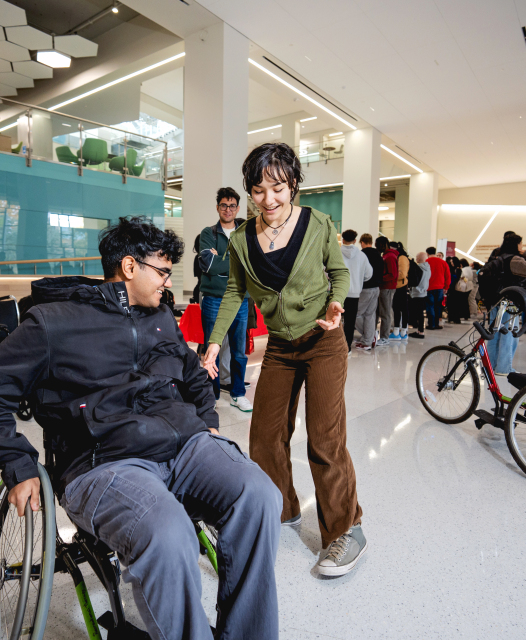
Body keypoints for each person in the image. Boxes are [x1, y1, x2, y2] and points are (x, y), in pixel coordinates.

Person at [0, 216, 281, 640]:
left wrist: (208, 423)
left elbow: (192, 373)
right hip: (103, 462)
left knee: (260, 495)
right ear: (130, 267)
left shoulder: (161, 317)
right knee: (168, 536)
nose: (168, 282)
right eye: (163, 271)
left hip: (183, 444)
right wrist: (17, 463)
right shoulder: (53, 323)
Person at [202, 142, 366, 577]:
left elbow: (339, 272)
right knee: (265, 437)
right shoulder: (240, 239)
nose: (269, 200)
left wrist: (335, 304)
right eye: (258, 191)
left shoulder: (317, 223)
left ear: (293, 184)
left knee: (324, 439)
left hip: (323, 339)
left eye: (278, 188)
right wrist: (214, 342)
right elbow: (235, 292)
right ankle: (284, 508)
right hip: (279, 345)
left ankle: (346, 530)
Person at [198, 187, 252, 411]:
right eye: (223, 205)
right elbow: (209, 266)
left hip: (240, 298)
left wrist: (221, 257)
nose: (228, 210)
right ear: (218, 207)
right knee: (213, 349)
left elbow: (251, 264)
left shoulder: (247, 233)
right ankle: (213, 394)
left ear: (237, 208)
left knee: (239, 352)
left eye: (232, 206)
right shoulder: (208, 233)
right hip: (213, 298)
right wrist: (234, 259)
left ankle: (238, 393)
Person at [484, 233, 526, 375]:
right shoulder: (514, 260)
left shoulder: (497, 257)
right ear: (517, 245)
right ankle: (504, 368)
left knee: (494, 334)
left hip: (495, 301)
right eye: (521, 244)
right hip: (510, 302)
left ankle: (490, 367)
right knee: (508, 335)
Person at [340, 229, 372, 350]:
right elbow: (369, 274)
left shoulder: (336, 253)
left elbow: (326, 271)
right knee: (350, 321)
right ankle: (347, 347)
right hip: (354, 294)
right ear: (355, 240)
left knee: (335, 320)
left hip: (338, 292)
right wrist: (358, 280)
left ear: (343, 240)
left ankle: (334, 346)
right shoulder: (361, 255)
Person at [356, 233, 384, 350]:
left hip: (365, 288)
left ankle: (370, 336)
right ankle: (367, 341)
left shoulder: (361, 255)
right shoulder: (378, 255)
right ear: (371, 242)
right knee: (370, 315)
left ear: (362, 243)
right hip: (376, 288)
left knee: (356, 314)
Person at [378, 236, 399, 345]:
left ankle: (384, 337)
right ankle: (383, 336)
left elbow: (392, 274)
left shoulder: (390, 256)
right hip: (385, 287)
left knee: (385, 313)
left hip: (387, 287)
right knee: (383, 312)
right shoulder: (386, 255)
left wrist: (380, 278)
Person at [424, 247, 451, 330]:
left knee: (430, 306)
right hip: (440, 287)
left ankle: (431, 324)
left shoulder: (426, 262)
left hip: (429, 287)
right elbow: (447, 276)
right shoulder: (443, 262)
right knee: (438, 306)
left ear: (427, 254)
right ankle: (436, 324)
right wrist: (446, 287)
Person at [390, 241, 410, 340]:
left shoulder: (401, 258)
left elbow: (402, 274)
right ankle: (398, 331)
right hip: (397, 286)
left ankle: (402, 332)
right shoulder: (399, 257)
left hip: (400, 287)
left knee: (401, 310)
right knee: (397, 309)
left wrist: (391, 276)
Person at [408, 252, 431, 339]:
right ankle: (420, 330)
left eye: (417, 257)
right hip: (423, 292)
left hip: (416, 292)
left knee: (418, 313)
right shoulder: (428, 268)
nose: (416, 258)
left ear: (420, 258)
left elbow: (414, 280)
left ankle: (420, 332)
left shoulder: (418, 268)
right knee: (420, 313)